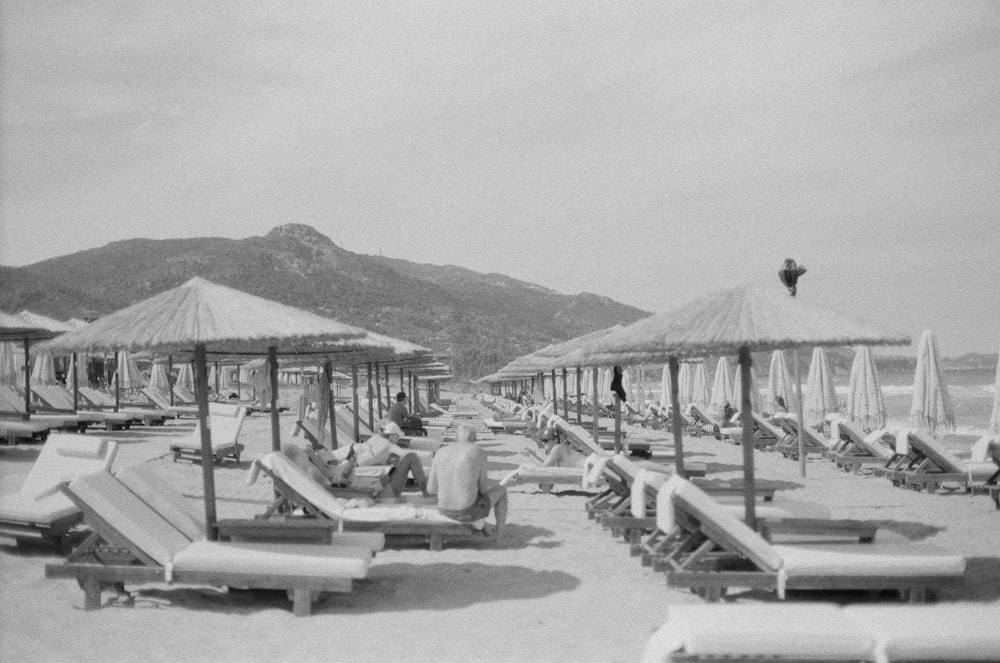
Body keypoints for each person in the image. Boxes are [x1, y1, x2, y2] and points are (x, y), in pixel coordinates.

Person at [427, 425, 508, 538]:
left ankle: (483, 526)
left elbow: (431, 489)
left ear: (456, 438)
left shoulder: (440, 452)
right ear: (474, 438)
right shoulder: (478, 452)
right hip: (466, 512)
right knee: (501, 490)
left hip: (443, 510)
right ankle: (501, 535)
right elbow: (483, 489)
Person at [316, 421, 428, 498]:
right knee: (335, 466)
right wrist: (426, 457)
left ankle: (316, 461)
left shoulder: (377, 437)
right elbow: (405, 454)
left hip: (352, 449)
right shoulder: (390, 445)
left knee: (325, 458)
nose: (398, 438)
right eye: (397, 436)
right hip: (357, 461)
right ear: (393, 435)